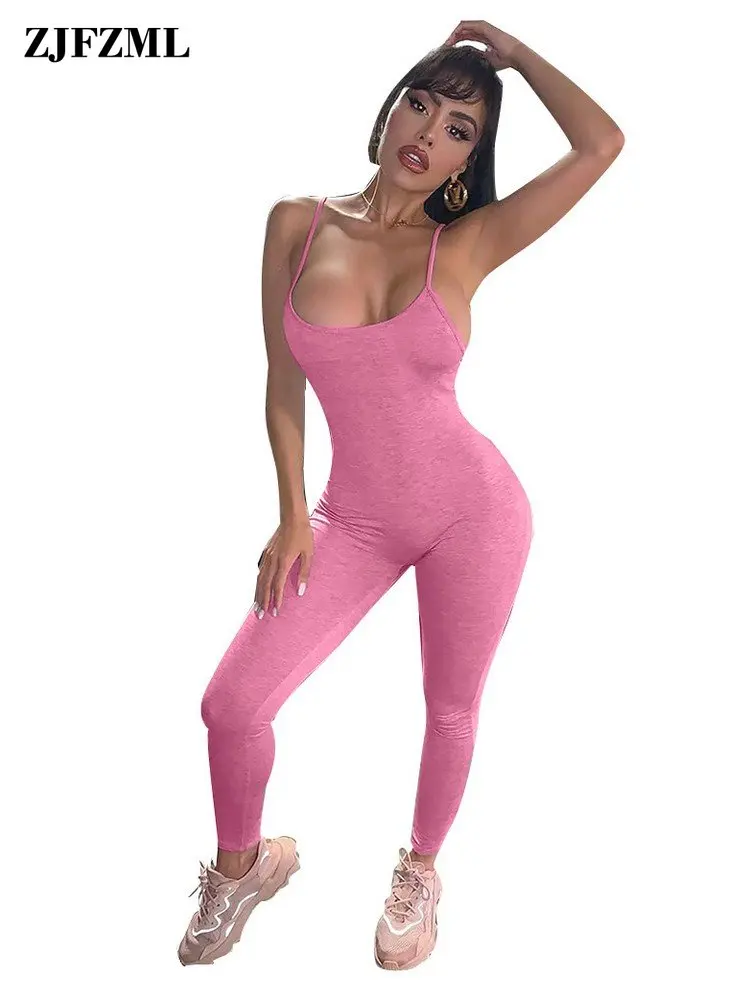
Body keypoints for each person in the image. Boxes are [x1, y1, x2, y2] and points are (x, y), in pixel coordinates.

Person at [178, 21, 624, 972]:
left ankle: (420, 870)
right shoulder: (297, 224)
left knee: (450, 707)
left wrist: (516, 56)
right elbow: (282, 381)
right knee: (231, 706)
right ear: (390, 112)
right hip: (351, 519)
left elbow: (601, 145)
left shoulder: (465, 246)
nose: (431, 132)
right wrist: (291, 514)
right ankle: (242, 867)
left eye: (462, 128)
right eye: (422, 105)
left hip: (475, 513)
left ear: (470, 161)